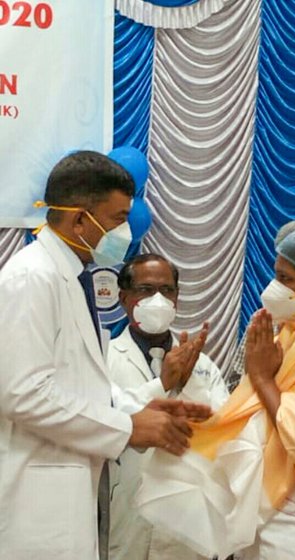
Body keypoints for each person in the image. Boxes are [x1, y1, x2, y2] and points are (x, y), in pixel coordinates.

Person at [0, 151, 211, 560]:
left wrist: (149, 408)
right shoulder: (30, 279)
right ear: (80, 220)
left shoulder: (75, 278)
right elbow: (21, 392)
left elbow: (85, 386)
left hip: (72, 490)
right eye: (117, 219)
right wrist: (126, 426)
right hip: (34, 500)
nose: (125, 232)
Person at [135, 225, 295, 560]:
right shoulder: (289, 335)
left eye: (286, 279)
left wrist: (264, 380)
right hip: (267, 513)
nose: (273, 288)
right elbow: (248, 412)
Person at [107, 253, 229, 560]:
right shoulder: (104, 357)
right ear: (124, 298)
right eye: (146, 290)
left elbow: (225, 430)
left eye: (167, 290)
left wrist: (188, 384)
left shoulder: (202, 365)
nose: (158, 299)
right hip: (124, 510)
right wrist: (162, 383)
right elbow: (104, 419)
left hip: (187, 520)